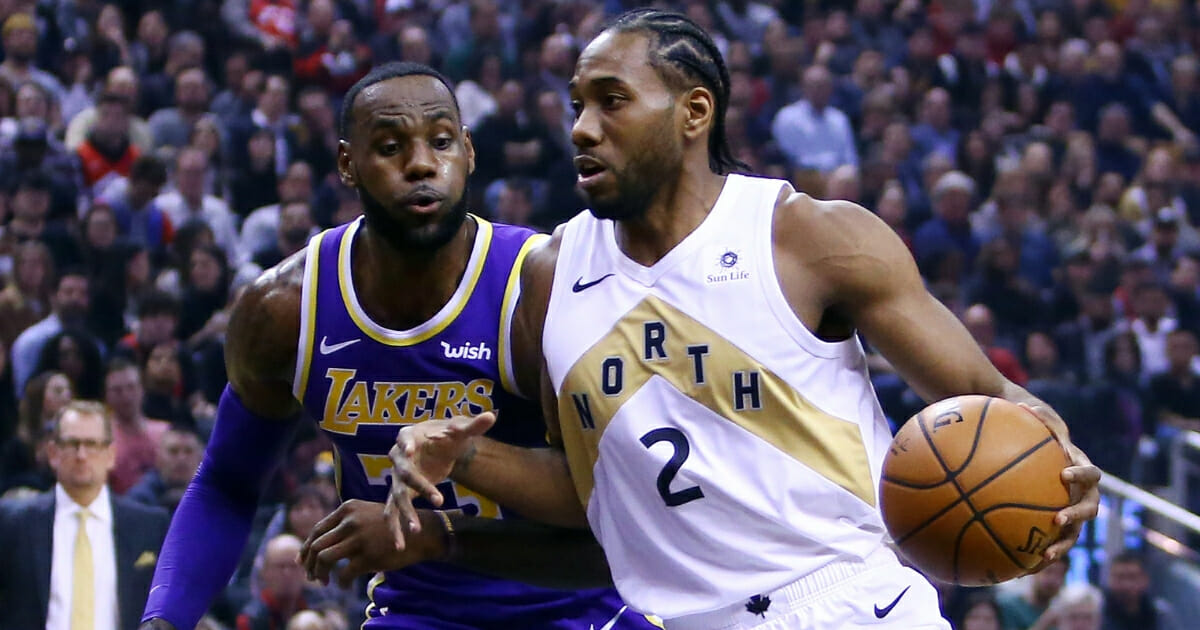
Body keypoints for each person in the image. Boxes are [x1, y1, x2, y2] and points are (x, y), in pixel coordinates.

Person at [382, 9, 1101, 630]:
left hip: (842, 600)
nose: (582, 128)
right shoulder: (549, 275)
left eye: (611, 102)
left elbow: (993, 396)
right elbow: (598, 493)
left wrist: (1059, 465)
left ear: (694, 113)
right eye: (576, 105)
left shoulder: (808, 237)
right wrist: (469, 458)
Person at [139, 62, 653, 630]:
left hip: (581, 611)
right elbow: (227, 484)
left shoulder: (542, 289)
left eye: (440, 142)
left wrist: (437, 536)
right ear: (346, 164)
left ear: (469, 151)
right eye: (389, 146)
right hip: (417, 613)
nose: (421, 165)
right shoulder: (284, 309)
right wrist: (163, 619)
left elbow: (620, 521)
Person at [0, 401, 170, 629]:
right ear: (53, 453)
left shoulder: (150, 526)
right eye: (72, 444)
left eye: (91, 444)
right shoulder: (13, 523)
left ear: (110, 454)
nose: (81, 455)